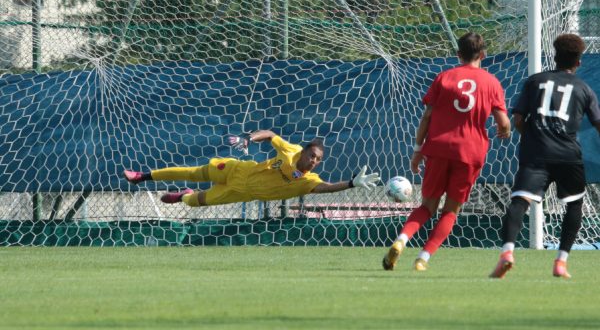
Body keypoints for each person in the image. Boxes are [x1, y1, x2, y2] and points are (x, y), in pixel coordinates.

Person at [382, 32, 511, 272]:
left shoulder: (444, 77)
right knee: (450, 211)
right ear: (483, 54)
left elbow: (427, 116)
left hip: (439, 148)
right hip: (471, 152)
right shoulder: (491, 82)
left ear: (458, 55)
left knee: (426, 207)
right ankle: (423, 259)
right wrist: (505, 130)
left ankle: (401, 241)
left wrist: (418, 149)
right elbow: (503, 121)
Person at [490, 34, 600, 279]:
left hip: (536, 153)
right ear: (579, 62)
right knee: (574, 205)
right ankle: (561, 261)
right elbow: (598, 122)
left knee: (519, 202)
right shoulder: (584, 88)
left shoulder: (535, 81)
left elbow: (518, 119)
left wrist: (530, 136)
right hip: (569, 155)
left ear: (554, 56)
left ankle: (507, 252)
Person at [123, 130, 380, 207]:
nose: (314, 161)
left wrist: (351, 183)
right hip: (239, 170)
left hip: (241, 193)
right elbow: (269, 134)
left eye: (318, 160)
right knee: (194, 171)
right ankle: (142, 176)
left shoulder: (307, 180)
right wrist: (248, 138)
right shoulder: (290, 151)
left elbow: (325, 187)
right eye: (312, 155)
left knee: (193, 203)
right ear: (303, 151)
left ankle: (183, 195)